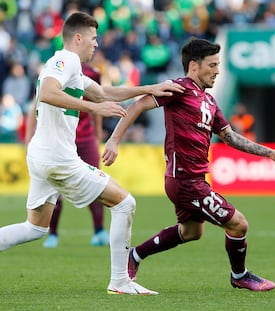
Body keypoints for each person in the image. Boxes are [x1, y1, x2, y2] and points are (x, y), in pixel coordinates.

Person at [0, 11, 184, 295]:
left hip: (41, 155)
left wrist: (150, 88)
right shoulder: (67, 60)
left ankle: (121, 281)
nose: (96, 44)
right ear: (77, 38)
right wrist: (94, 109)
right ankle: (121, 281)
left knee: (35, 227)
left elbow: (103, 94)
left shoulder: (69, 67)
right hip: (58, 158)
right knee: (125, 204)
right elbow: (48, 93)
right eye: (93, 38)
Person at [102, 38, 275, 292]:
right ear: (194, 66)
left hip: (194, 179)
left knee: (192, 232)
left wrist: (270, 153)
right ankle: (240, 275)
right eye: (213, 65)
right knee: (239, 224)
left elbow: (230, 137)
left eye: (218, 65)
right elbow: (139, 104)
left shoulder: (209, 101)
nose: (217, 71)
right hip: (185, 180)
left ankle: (135, 255)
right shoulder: (178, 89)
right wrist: (114, 140)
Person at [25, 63, 110, 248]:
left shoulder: (93, 72)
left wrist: (97, 135)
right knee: (55, 189)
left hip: (85, 139)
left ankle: (99, 231)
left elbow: (98, 102)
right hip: (59, 141)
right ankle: (52, 234)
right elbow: (36, 106)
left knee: (95, 183)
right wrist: (28, 139)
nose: (94, 45)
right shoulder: (53, 70)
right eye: (92, 40)